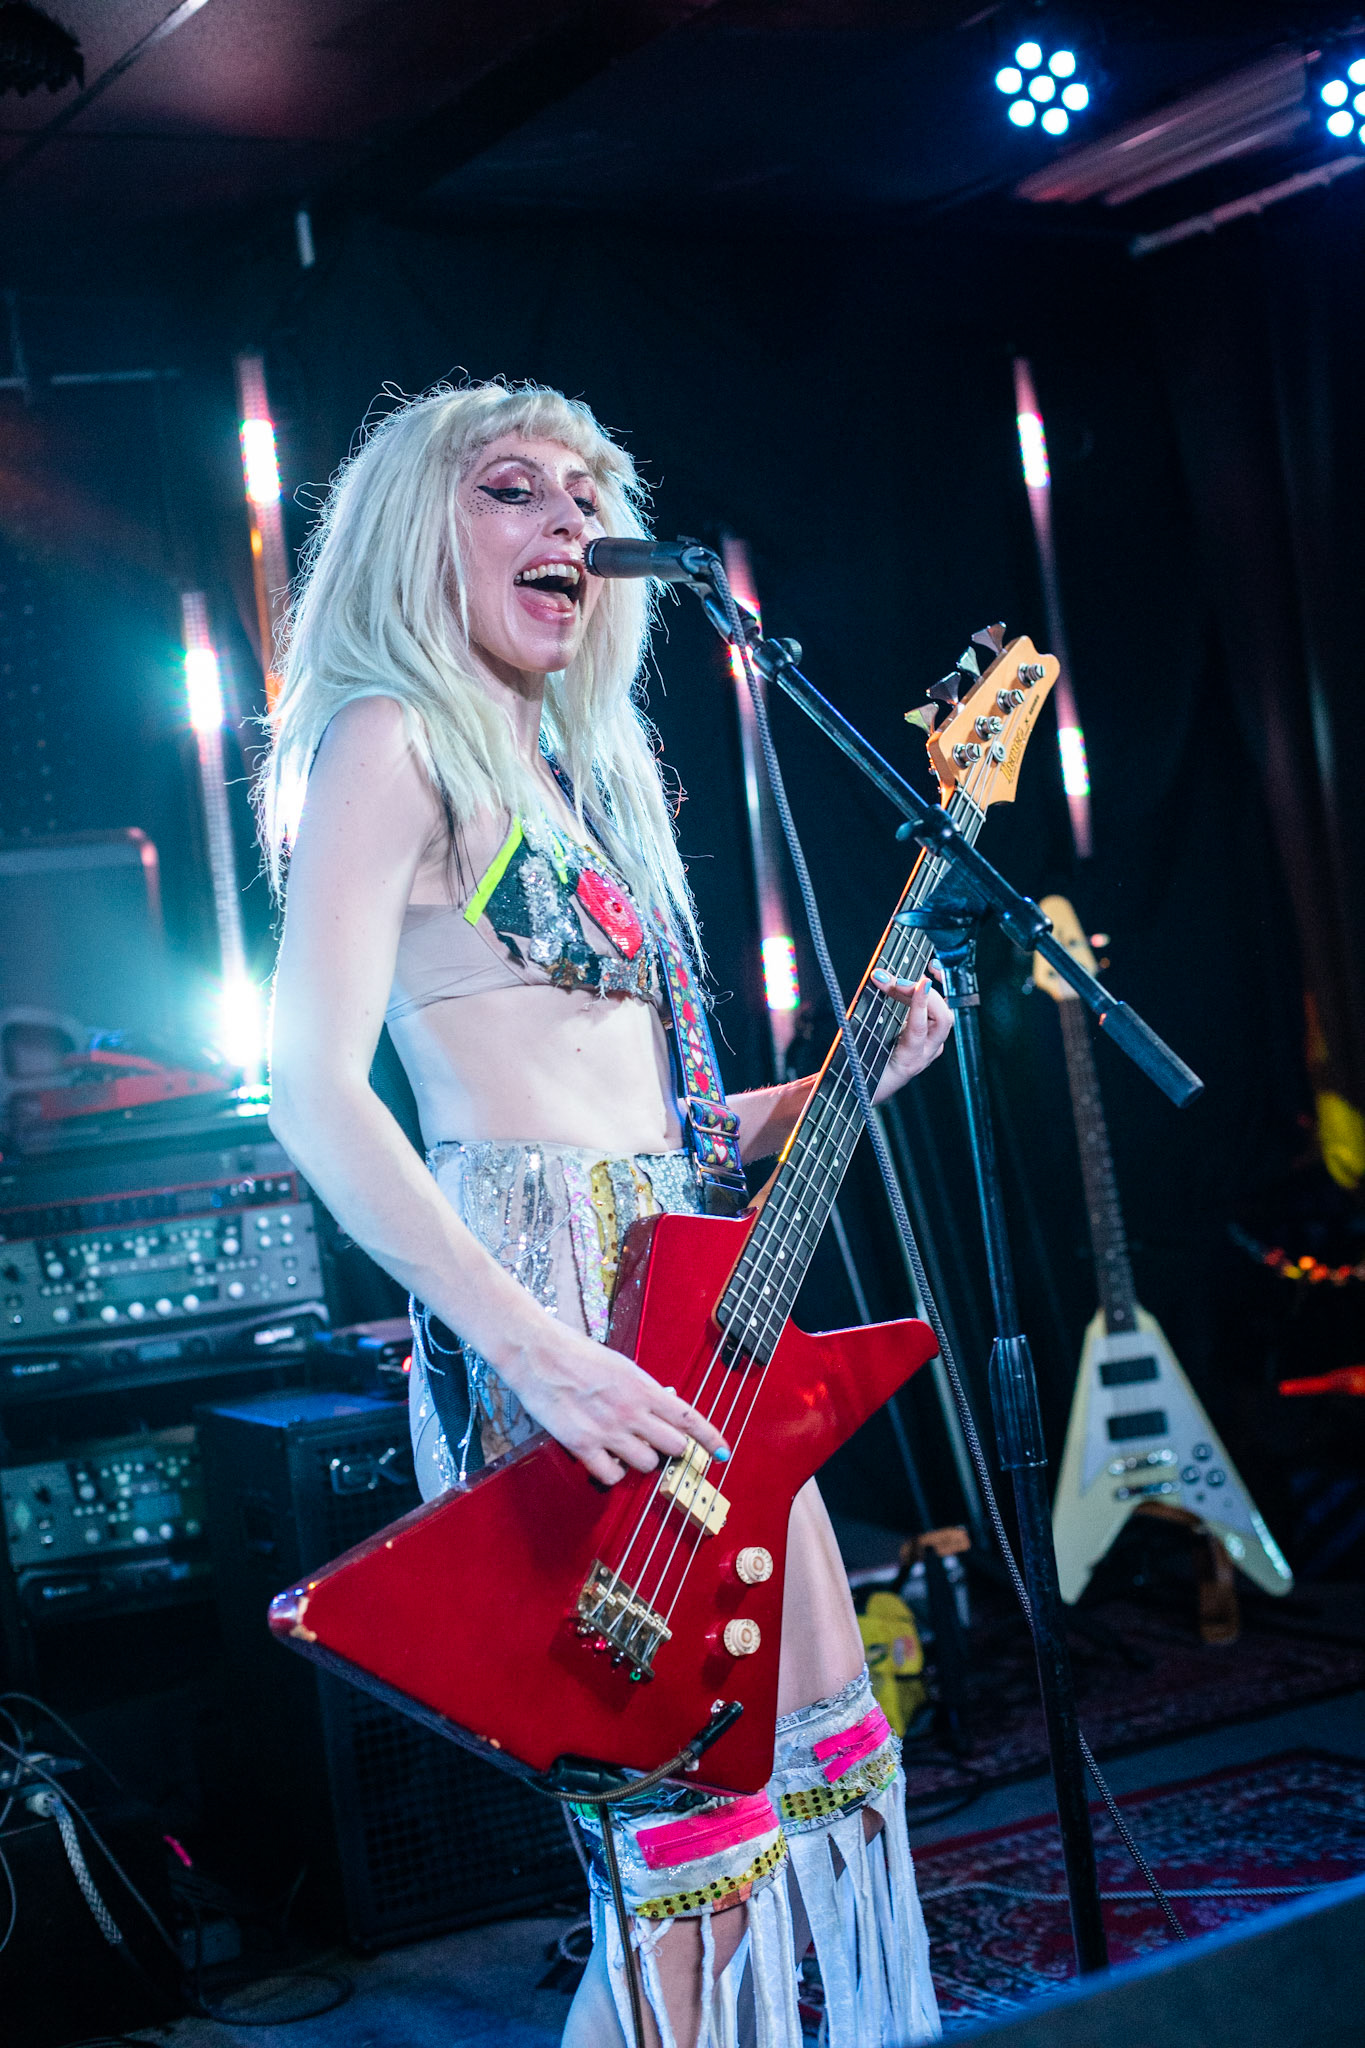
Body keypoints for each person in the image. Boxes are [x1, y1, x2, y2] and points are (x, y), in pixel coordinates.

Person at [261, 380, 952, 2048]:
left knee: (812, 1791)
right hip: (553, 1317)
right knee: (685, 1856)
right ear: (415, 530)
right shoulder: (389, 736)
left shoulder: (577, 777)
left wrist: (837, 1084)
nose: (569, 520)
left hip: (693, 1318)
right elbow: (310, 1088)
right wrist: (534, 1350)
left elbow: (653, 1130)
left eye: (585, 496)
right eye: (513, 488)